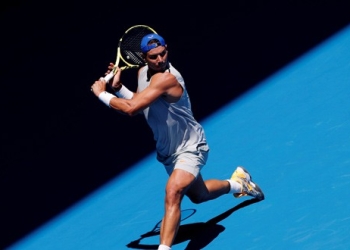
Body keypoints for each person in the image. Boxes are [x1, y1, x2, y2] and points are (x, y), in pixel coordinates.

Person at [91, 33, 264, 250]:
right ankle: (240, 183)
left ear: (167, 49)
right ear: (144, 57)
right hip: (169, 151)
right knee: (199, 195)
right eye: (154, 56)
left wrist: (101, 94)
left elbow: (131, 109)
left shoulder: (168, 78)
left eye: (163, 53)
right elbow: (140, 103)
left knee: (173, 191)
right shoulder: (143, 72)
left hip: (191, 146)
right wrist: (117, 89)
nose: (160, 59)